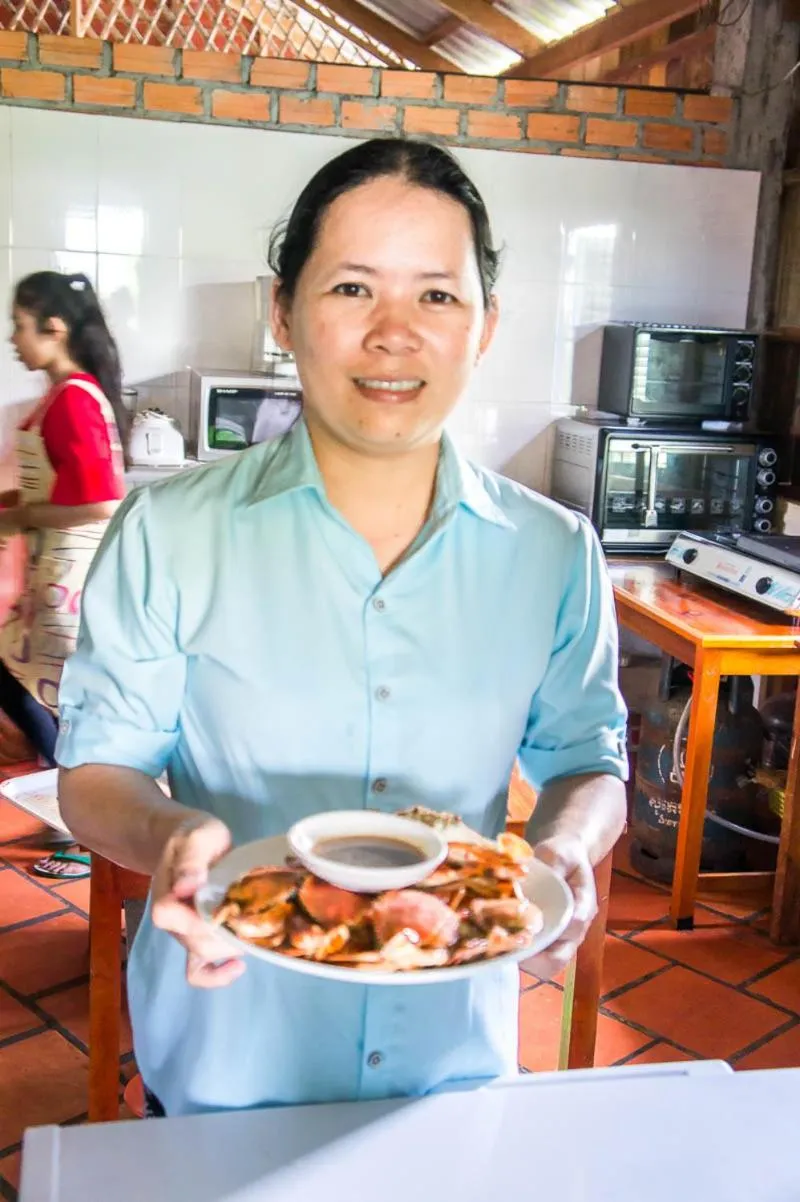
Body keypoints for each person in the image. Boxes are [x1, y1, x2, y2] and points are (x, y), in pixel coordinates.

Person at [56, 137, 628, 1117]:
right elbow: (95, 773)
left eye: (437, 295)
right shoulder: (171, 531)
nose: (393, 332)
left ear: (484, 324)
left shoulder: (552, 552)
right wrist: (171, 829)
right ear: (284, 310)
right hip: (223, 1062)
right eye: (353, 288)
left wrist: (567, 842)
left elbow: (587, 757)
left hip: (448, 1060)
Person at [0, 271, 126, 879]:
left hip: (68, 580)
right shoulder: (64, 394)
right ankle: (75, 813)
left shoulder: (75, 397)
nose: (11, 339)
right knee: (44, 694)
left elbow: (102, 499)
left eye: (18, 326)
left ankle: (82, 825)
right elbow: (58, 482)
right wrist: (13, 508)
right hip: (54, 573)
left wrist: (22, 513)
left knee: (57, 702)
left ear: (54, 329)